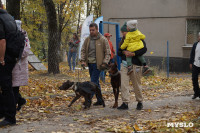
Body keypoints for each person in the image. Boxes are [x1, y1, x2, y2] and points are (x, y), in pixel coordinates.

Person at [117, 22, 146, 110]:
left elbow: (144, 49)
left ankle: (140, 102)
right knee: (124, 84)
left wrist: (133, 54)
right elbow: (119, 51)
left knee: (136, 84)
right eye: (122, 32)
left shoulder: (138, 38)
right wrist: (124, 52)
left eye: (124, 32)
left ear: (128, 31)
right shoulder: (123, 41)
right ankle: (125, 103)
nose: (123, 34)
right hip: (125, 65)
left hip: (135, 65)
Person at [81, 23, 111, 105]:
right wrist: (83, 60)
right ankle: (100, 100)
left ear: (97, 29)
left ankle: (88, 99)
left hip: (99, 64)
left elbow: (108, 52)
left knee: (92, 82)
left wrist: (105, 62)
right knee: (96, 83)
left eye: (93, 30)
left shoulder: (103, 39)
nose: (91, 32)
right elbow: (83, 50)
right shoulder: (87, 39)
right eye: (90, 30)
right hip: (90, 63)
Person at [0, 1, 18, 126]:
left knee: (6, 87)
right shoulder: (9, 17)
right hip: (12, 55)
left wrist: (1, 59)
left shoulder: (0, 18)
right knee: (6, 86)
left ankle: (10, 117)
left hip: (5, 58)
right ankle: (4, 112)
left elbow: (2, 40)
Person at [12, 20, 30, 111]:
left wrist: (16, 56)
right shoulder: (12, 34)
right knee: (12, 86)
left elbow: (26, 51)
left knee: (15, 87)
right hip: (13, 65)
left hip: (19, 66)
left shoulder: (24, 36)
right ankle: (21, 100)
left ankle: (14, 106)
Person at [189, 32, 200, 99]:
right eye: (199, 36)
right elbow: (192, 54)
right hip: (195, 64)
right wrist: (191, 63)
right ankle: (196, 93)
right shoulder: (195, 44)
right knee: (194, 79)